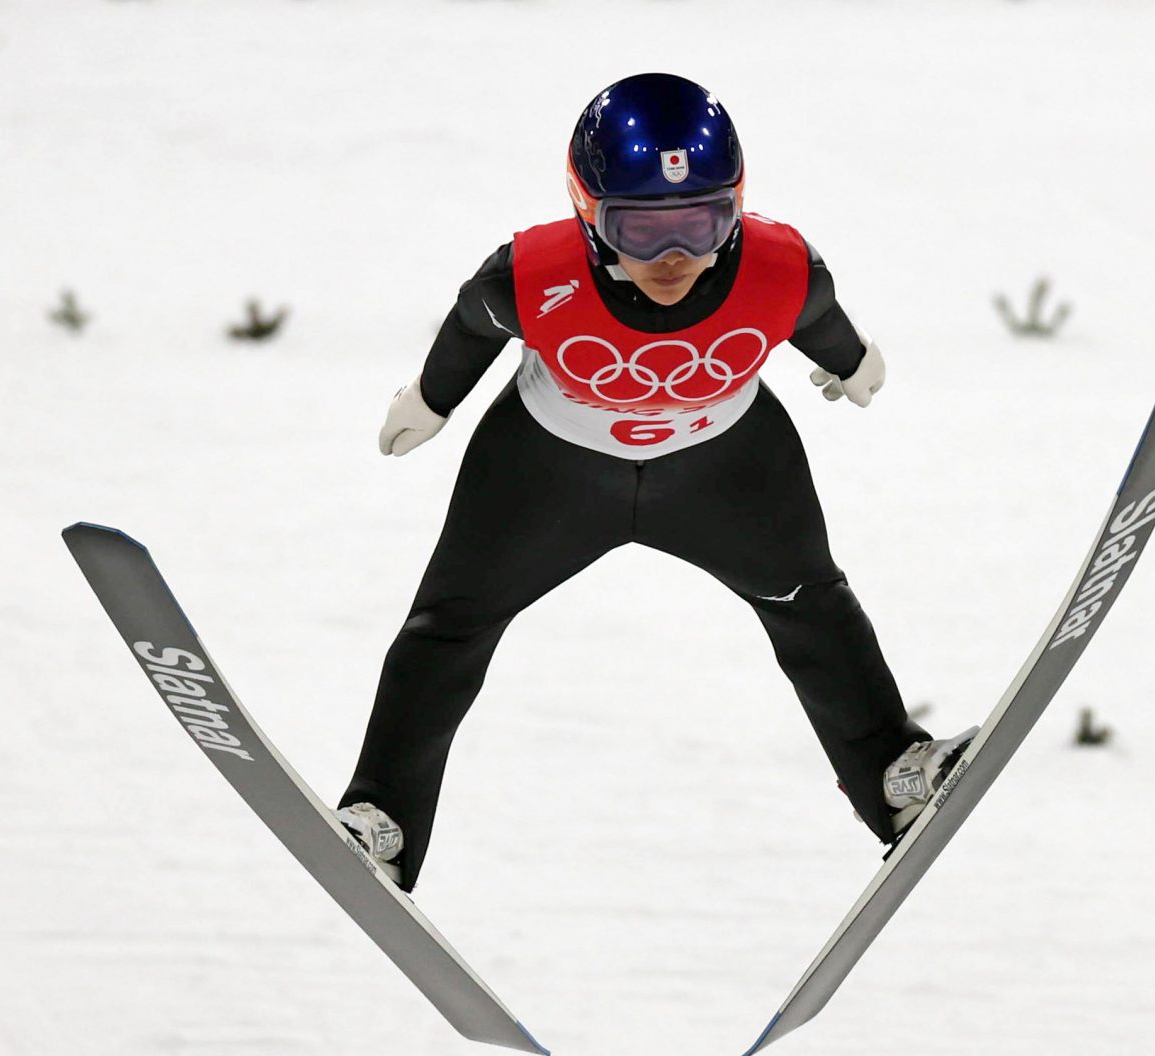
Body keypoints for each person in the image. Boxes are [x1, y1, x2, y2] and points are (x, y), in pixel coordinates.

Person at [336, 73, 970, 889]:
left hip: (727, 468)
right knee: (449, 629)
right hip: (546, 470)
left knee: (813, 605)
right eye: (639, 231)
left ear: (735, 207)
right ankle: (381, 820)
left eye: (702, 222)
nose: (673, 257)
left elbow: (815, 314)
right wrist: (432, 400)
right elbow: (471, 322)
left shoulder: (782, 266)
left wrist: (852, 359)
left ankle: (894, 778)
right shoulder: (528, 275)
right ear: (588, 214)